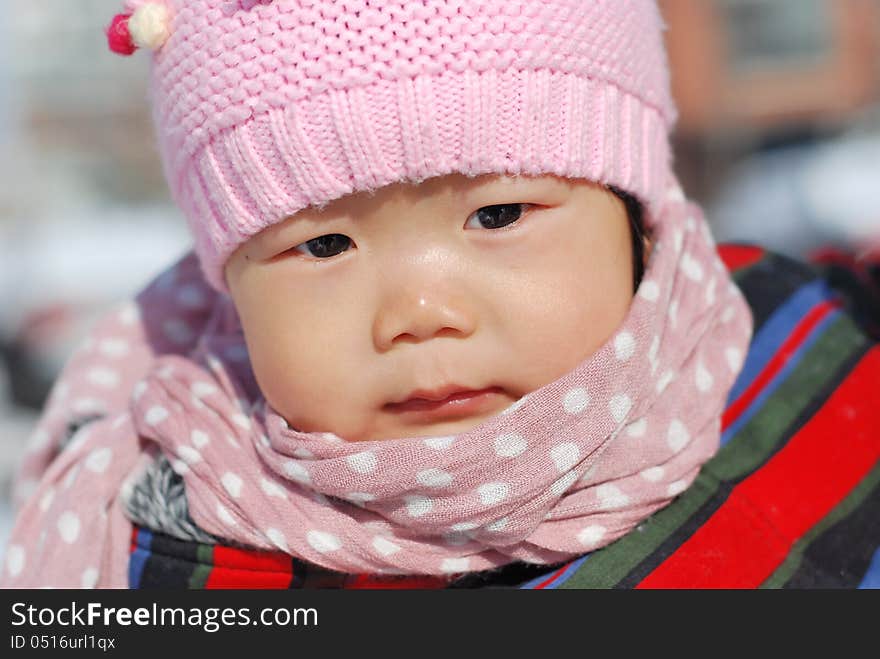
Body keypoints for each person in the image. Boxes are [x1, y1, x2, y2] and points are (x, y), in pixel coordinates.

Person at [3, 0, 879, 589]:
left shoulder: (802, 353)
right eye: (323, 244)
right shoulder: (182, 541)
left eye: (498, 214)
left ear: (636, 219)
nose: (420, 315)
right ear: (230, 285)